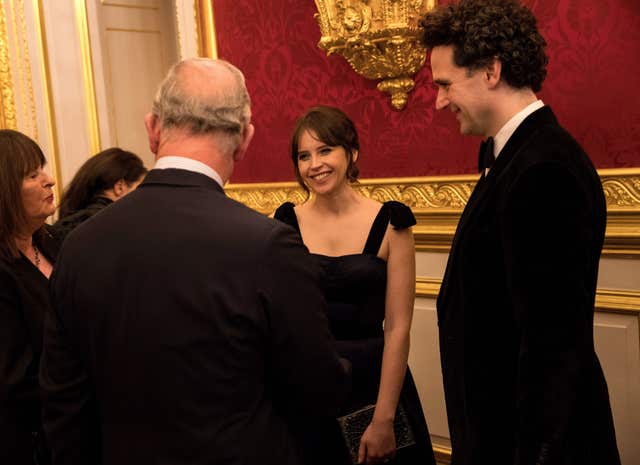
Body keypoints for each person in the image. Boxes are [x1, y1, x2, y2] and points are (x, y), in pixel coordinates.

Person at [39, 58, 350, 465]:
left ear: (152, 129)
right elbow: (318, 390)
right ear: (244, 138)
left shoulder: (79, 245)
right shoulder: (267, 246)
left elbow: (63, 405)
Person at [420, 1, 620, 464]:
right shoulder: (515, 157)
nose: (439, 101)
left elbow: (552, 348)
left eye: (446, 85)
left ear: (491, 70)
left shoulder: (543, 168)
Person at [274, 105, 436, 465]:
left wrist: (384, 418)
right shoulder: (284, 224)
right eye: (304, 156)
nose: (314, 164)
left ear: (352, 153)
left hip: (374, 384)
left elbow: (397, 328)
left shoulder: (392, 223)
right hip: (310, 382)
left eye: (325, 150)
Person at [0, 129, 58, 465]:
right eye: (33, 175)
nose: (49, 181)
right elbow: (14, 381)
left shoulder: (54, 243)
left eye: (44, 170)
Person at [53, 148, 147, 240]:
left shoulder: (64, 228)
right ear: (120, 187)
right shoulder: (122, 226)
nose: (144, 196)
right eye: (140, 188)